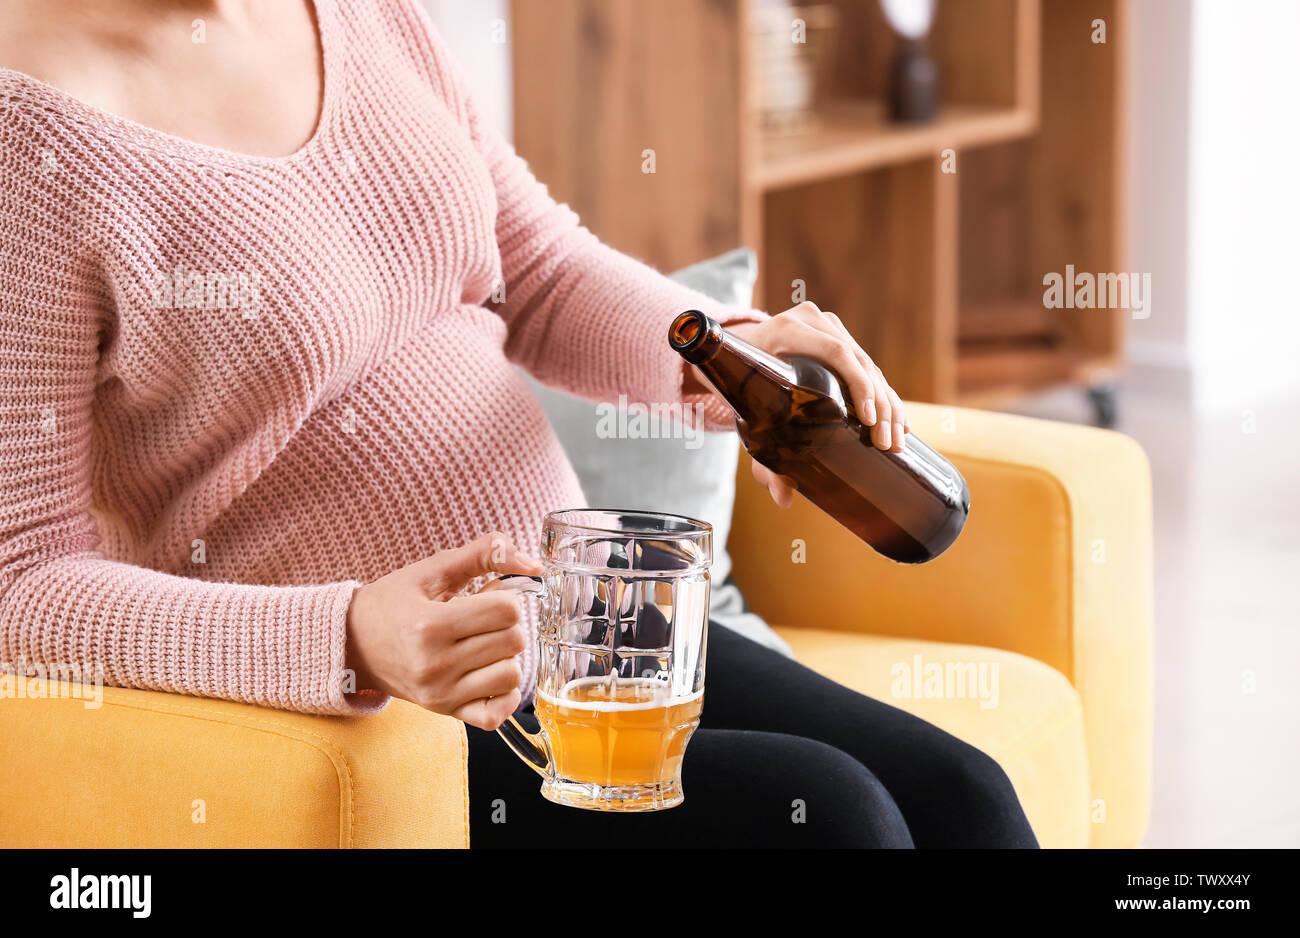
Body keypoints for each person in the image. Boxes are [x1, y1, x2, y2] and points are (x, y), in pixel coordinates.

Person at [0, 0, 1036, 848]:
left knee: (963, 794)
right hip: (398, 709)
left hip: (581, 623)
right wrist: (353, 632)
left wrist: (736, 352)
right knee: (833, 818)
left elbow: (534, 273)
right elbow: (20, 580)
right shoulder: (27, 138)